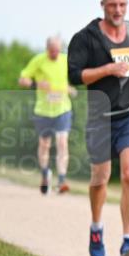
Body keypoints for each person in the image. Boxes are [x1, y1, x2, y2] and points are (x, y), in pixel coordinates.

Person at [68, 0, 129, 256]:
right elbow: (74, 76)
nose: (117, 10)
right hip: (99, 117)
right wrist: (107, 69)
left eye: (122, 5)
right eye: (112, 5)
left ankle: (128, 240)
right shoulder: (86, 38)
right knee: (100, 178)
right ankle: (96, 227)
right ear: (102, 6)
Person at [18, 36, 75, 194]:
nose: (55, 54)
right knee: (45, 145)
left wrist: (69, 88)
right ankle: (45, 175)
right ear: (47, 49)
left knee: (62, 143)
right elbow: (22, 80)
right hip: (43, 110)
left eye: (57, 50)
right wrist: (36, 84)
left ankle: (62, 180)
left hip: (63, 109)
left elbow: (73, 77)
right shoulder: (38, 60)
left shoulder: (65, 60)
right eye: (52, 51)